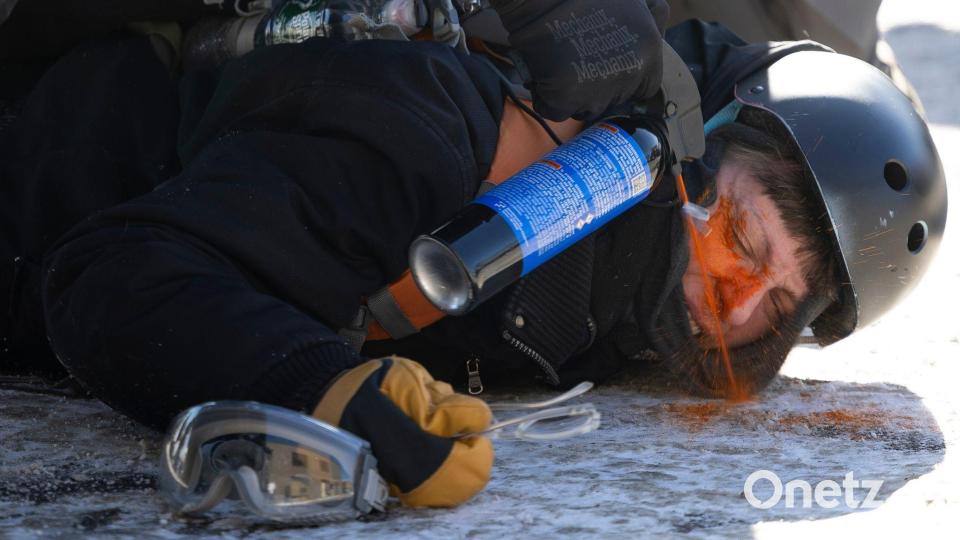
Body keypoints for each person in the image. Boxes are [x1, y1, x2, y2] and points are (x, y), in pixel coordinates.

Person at [0, 8, 948, 509]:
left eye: (778, 312)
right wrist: (321, 390)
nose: (734, 317)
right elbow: (108, 279)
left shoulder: (610, 289)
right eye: (744, 246)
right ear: (683, 148)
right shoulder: (440, 137)